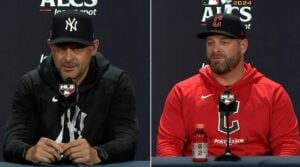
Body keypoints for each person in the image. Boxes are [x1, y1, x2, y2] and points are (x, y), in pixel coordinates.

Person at [3, 10, 138, 165]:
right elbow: (11, 141)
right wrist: (29, 152)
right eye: (61, 48)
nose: (68, 58)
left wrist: (98, 153)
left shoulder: (116, 83)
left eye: (77, 48)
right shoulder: (32, 84)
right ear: (51, 47)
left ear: (94, 47)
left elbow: (128, 139)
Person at [156, 13, 300, 157]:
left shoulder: (273, 93)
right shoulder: (182, 92)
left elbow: (287, 145)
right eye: (210, 42)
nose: (215, 49)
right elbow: (168, 145)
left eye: (224, 42)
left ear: (243, 46)